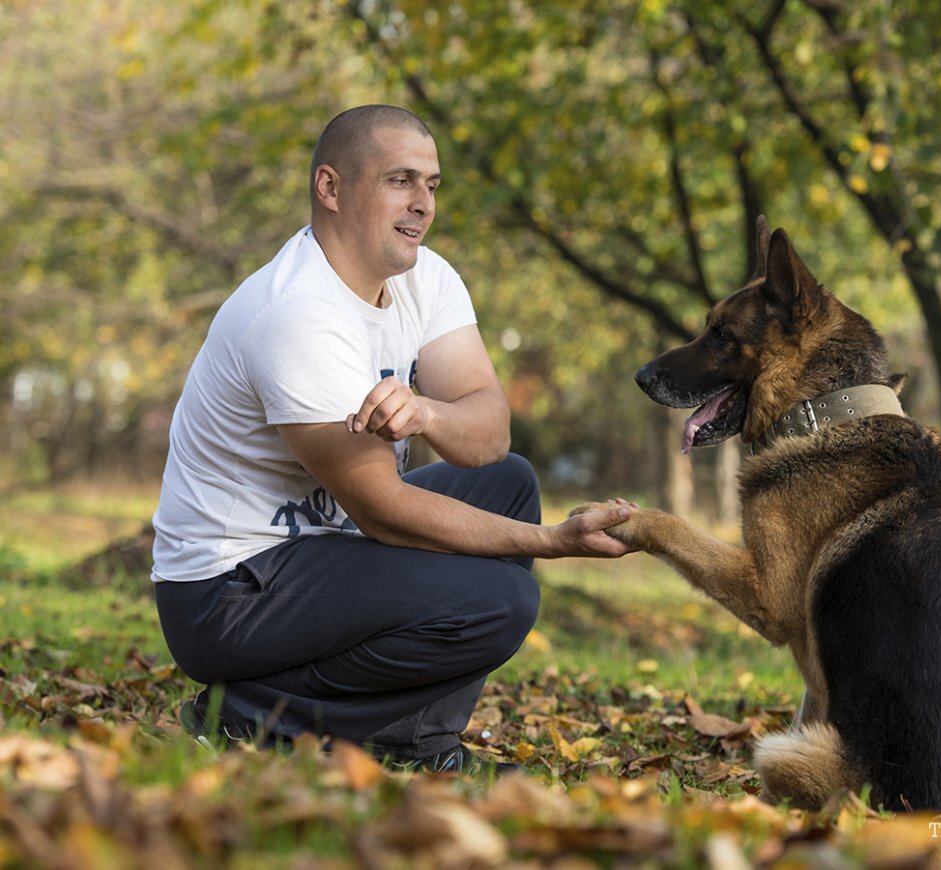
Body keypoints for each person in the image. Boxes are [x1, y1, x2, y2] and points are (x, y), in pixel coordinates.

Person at [151, 104, 634, 772]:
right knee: (502, 603)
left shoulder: (424, 278)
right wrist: (552, 543)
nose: (423, 205)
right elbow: (384, 511)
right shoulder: (295, 314)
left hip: (321, 549)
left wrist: (429, 414)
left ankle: (416, 738)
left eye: (432, 185)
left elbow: (488, 432)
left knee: (509, 483)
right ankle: (250, 714)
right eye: (401, 180)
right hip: (228, 590)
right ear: (331, 187)